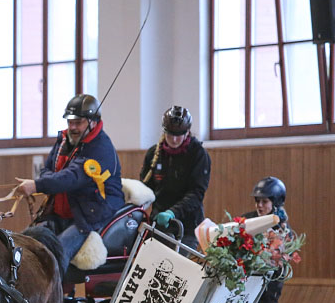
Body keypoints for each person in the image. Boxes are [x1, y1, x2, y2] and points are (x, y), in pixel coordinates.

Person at [16, 93, 124, 272]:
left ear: (93, 122)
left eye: (78, 122)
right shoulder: (64, 140)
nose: (72, 127)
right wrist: (45, 181)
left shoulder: (101, 148)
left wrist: (36, 185)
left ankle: (54, 298)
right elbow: (47, 169)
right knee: (25, 246)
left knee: (53, 259)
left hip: (88, 217)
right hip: (60, 214)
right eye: (70, 122)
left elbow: (73, 178)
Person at [140, 105, 211, 250]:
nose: (173, 139)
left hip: (188, 224)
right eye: (170, 134)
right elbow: (145, 188)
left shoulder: (198, 154)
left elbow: (196, 193)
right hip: (159, 221)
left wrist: (173, 212)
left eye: (178, 134)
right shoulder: (154, 154)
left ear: (187, 132)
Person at [242, 176, 292, 303]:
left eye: (264, 201)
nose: (259, 205)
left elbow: (280, 270)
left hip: (265, 299)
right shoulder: (246, 221)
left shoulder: (285, 232)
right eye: (257, 201)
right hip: (242, 294)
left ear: (276, 203)